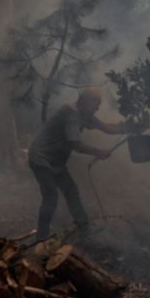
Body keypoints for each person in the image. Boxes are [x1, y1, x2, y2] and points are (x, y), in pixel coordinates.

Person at [28, 88, 133, 239]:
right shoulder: (72, 114)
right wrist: (98, 152)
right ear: (83, 101)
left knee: (72, 192)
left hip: (56, 161)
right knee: (50, 196)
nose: (97, 108)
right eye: (95, 104)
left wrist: (128, 127)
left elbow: (106, 127)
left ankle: (85, 231)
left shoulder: (85, 113)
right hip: (41, 158)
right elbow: (75, 143)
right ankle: (41, 237)